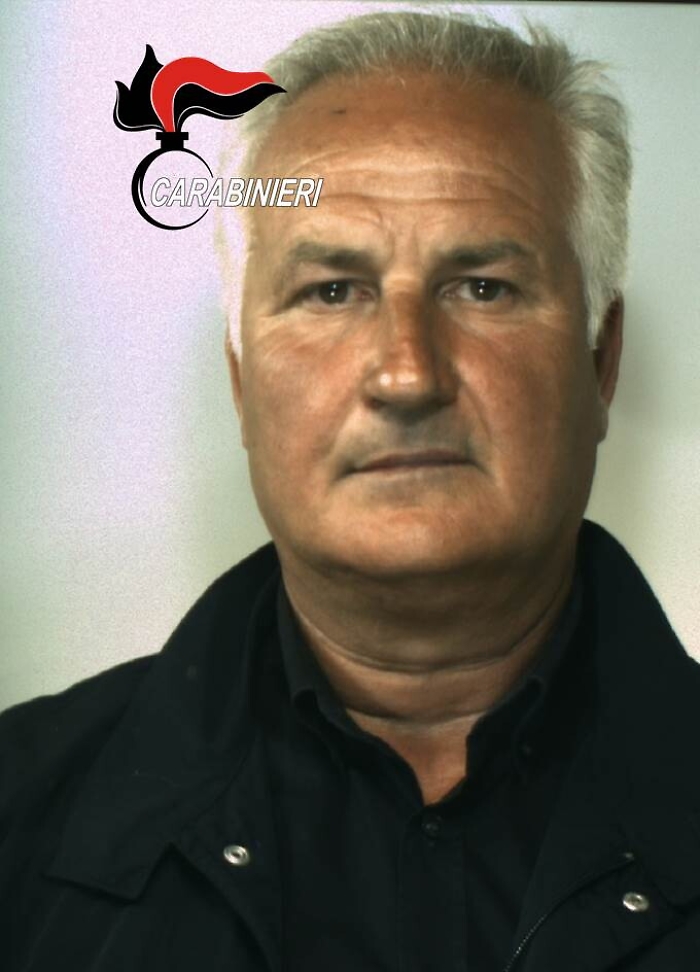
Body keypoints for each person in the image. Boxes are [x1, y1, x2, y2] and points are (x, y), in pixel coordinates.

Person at [2, 10, 699, 971]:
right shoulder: (17, 813)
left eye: (483, 287)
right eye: (332, 291)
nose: (407, 375)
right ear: (243, 384)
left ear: (600, 363)